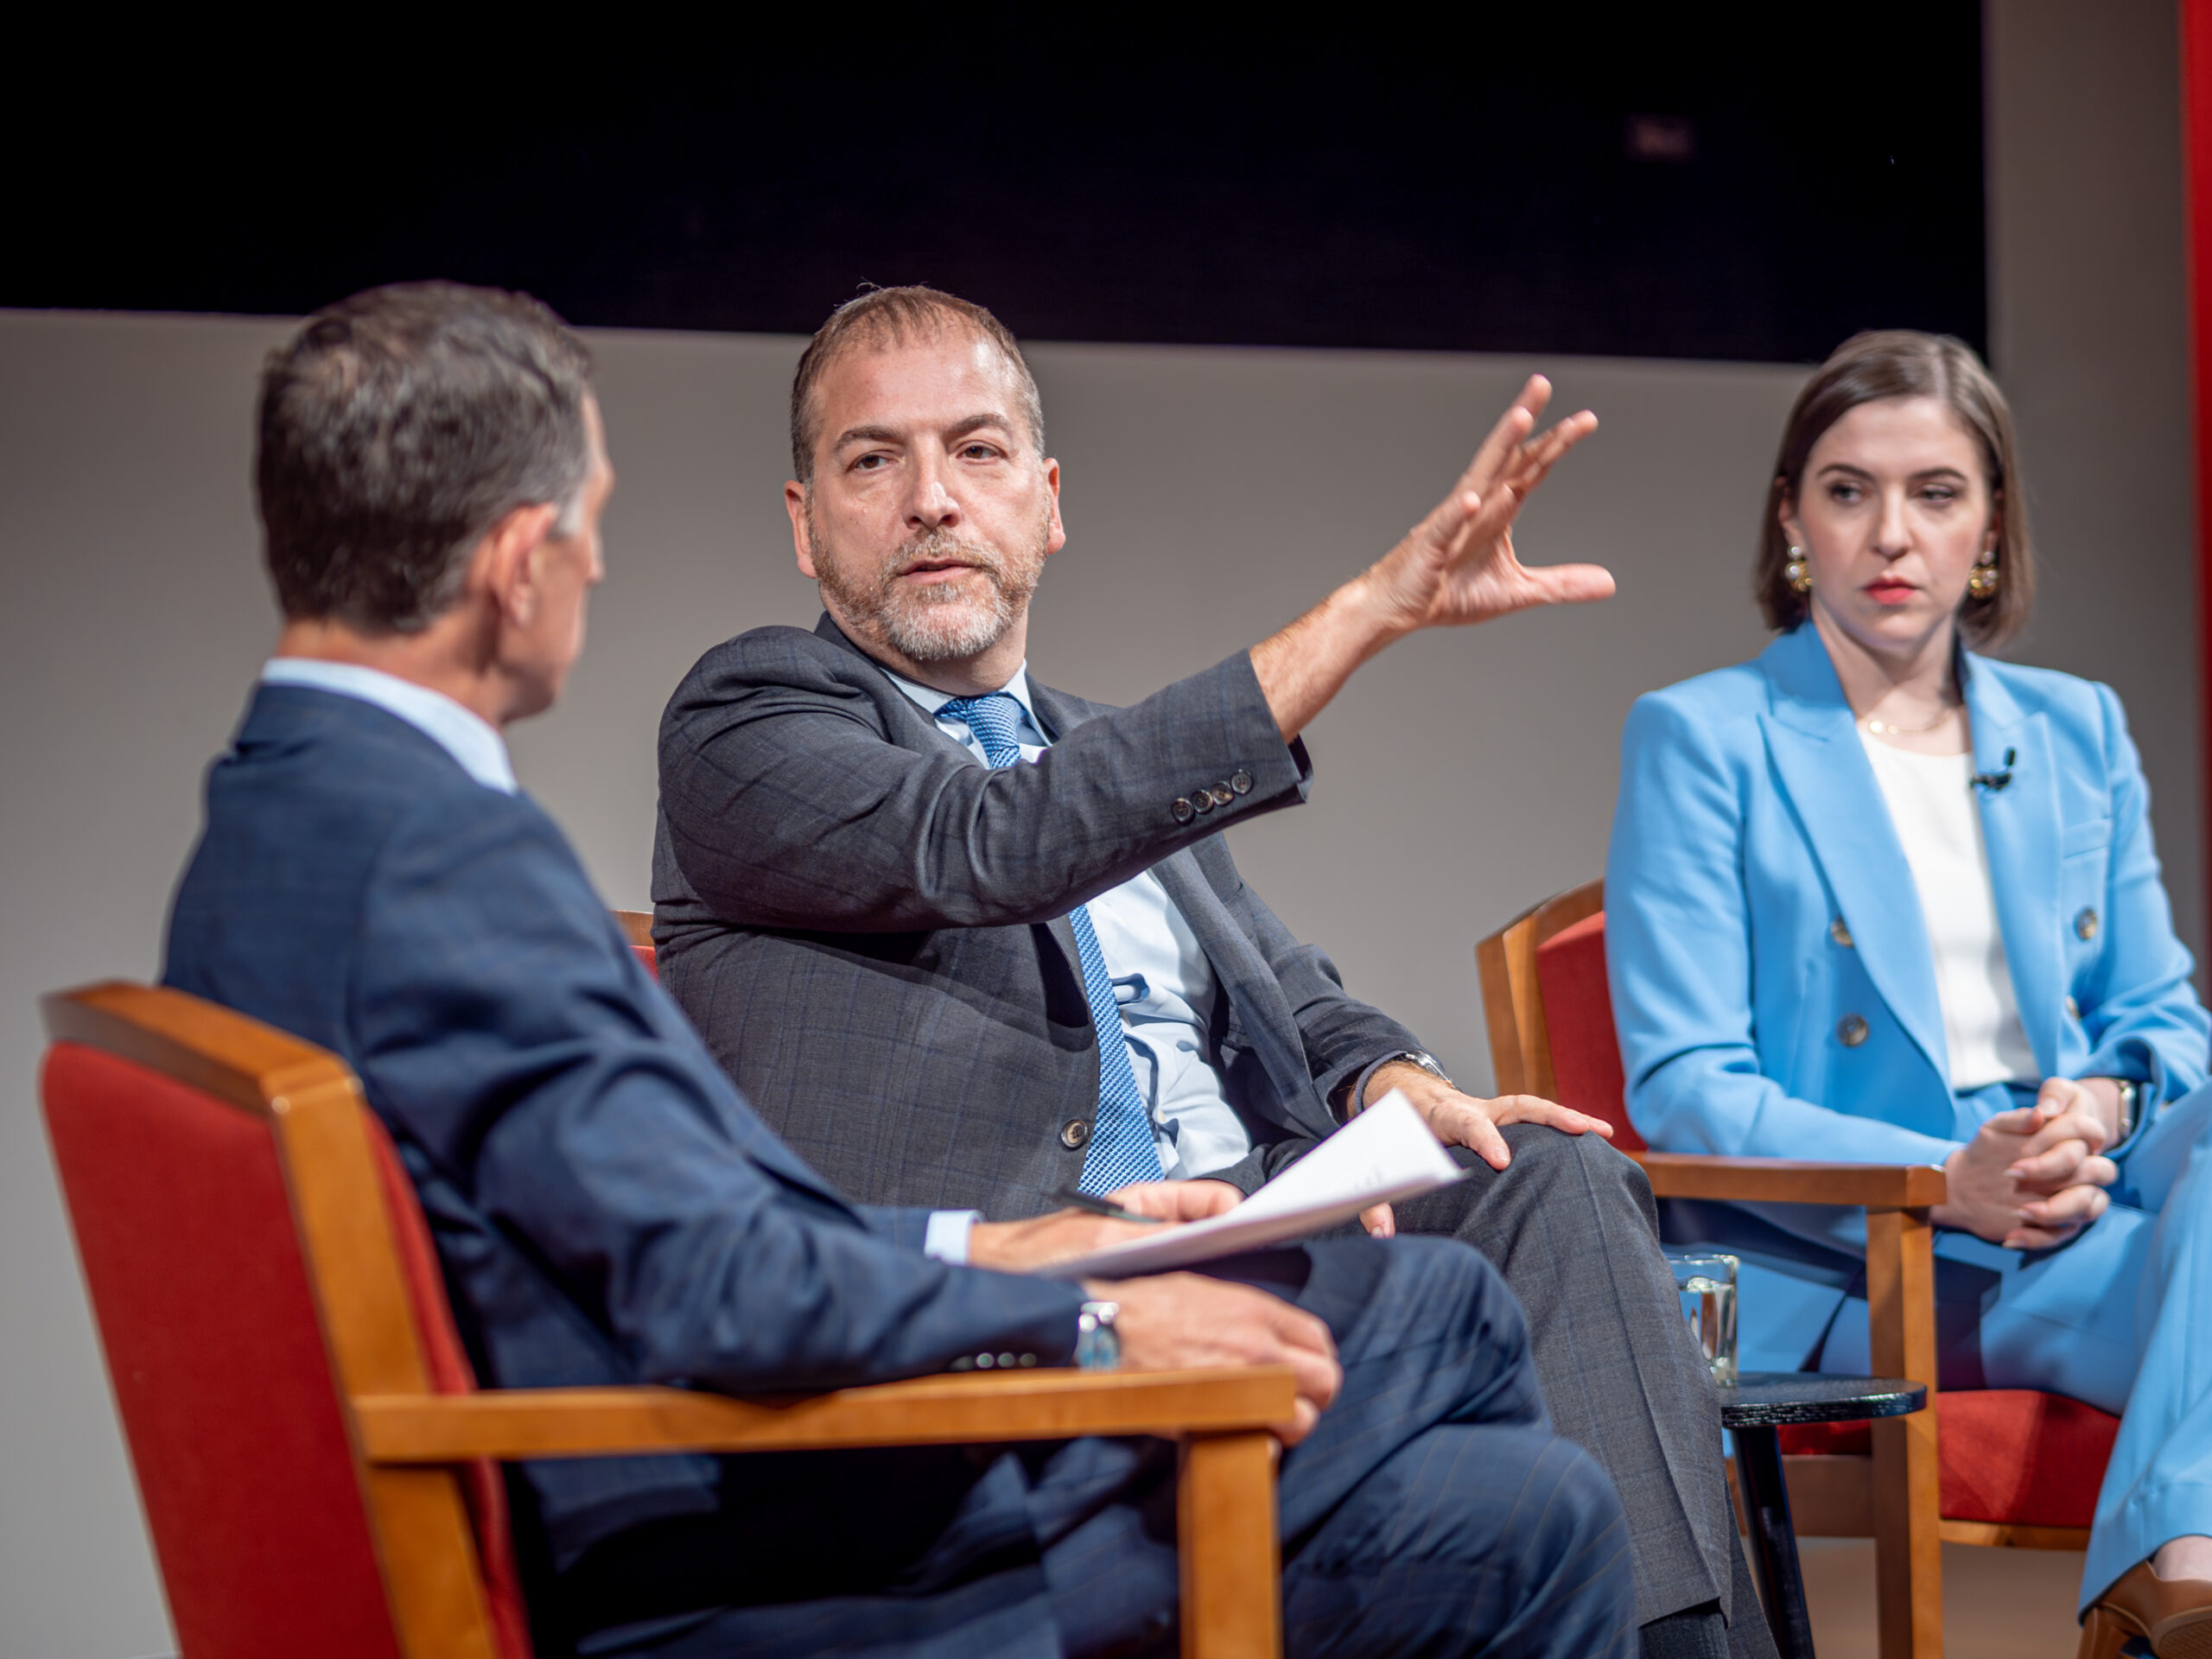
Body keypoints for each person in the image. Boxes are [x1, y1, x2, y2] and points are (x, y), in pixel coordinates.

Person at [161, 281, 1634, 1659]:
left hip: (714, 1453)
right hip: (747, 1544)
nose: (597, 564)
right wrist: (1084, 1306)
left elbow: (669, 1226)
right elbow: (704, 1281)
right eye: (590, 524)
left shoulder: (282, 822)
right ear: (513, 561)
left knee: (1527, 1519)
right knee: (1436, 1327)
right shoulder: (450, 864)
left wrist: (1011, 1256)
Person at [652, 284, 1773, 1659]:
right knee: (1481, 1408)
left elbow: (1295, 995)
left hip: (1250, 1222)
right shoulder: (748, 720)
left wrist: (1390, 1074)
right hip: (1023, 1281)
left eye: (978, 451)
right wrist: (1369, 612)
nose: (931, 498)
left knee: (1555, 1183)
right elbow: (990, 845)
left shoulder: (1100, 749)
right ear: (805, 519)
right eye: (873, 460)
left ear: (1048, 504)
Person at [1605, 327, 2212, 1649]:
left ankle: (2175, 1570)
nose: (1893, 533)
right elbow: (1688, 1086)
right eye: (1847, 489)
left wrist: (2096, 1112)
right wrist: (1954, 1175)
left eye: (1936, 492)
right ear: (1791, 520)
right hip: (1878, 1239)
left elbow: (2165, 1017)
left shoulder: (2075, 728)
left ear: (1990, 523)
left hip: (2078, 1185)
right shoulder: (1703, 736)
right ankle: (2170, 1570)